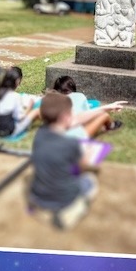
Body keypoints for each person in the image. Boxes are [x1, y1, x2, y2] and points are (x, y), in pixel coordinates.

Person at [27, 92, 102, 225]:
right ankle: (73, 211)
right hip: (63, 199)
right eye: (71, 113)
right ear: (64, 117)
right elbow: (81, 167)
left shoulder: (40, 134)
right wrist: (88, 156)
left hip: (38, 196)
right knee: (90, 181)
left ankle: (41, 208)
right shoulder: (70, 144)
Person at [51, 75, 125, 138]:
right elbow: (88, 116)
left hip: (56, 136)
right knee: (104, 115)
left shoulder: (52, 100)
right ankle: (111, 126)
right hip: (75, 137)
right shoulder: (79, 96)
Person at [0, 68, 39, 138]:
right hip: (8, 131)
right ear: (17, 82)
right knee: (35, 111)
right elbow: (20, 117)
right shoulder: (15, 96)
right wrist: (30, 106)